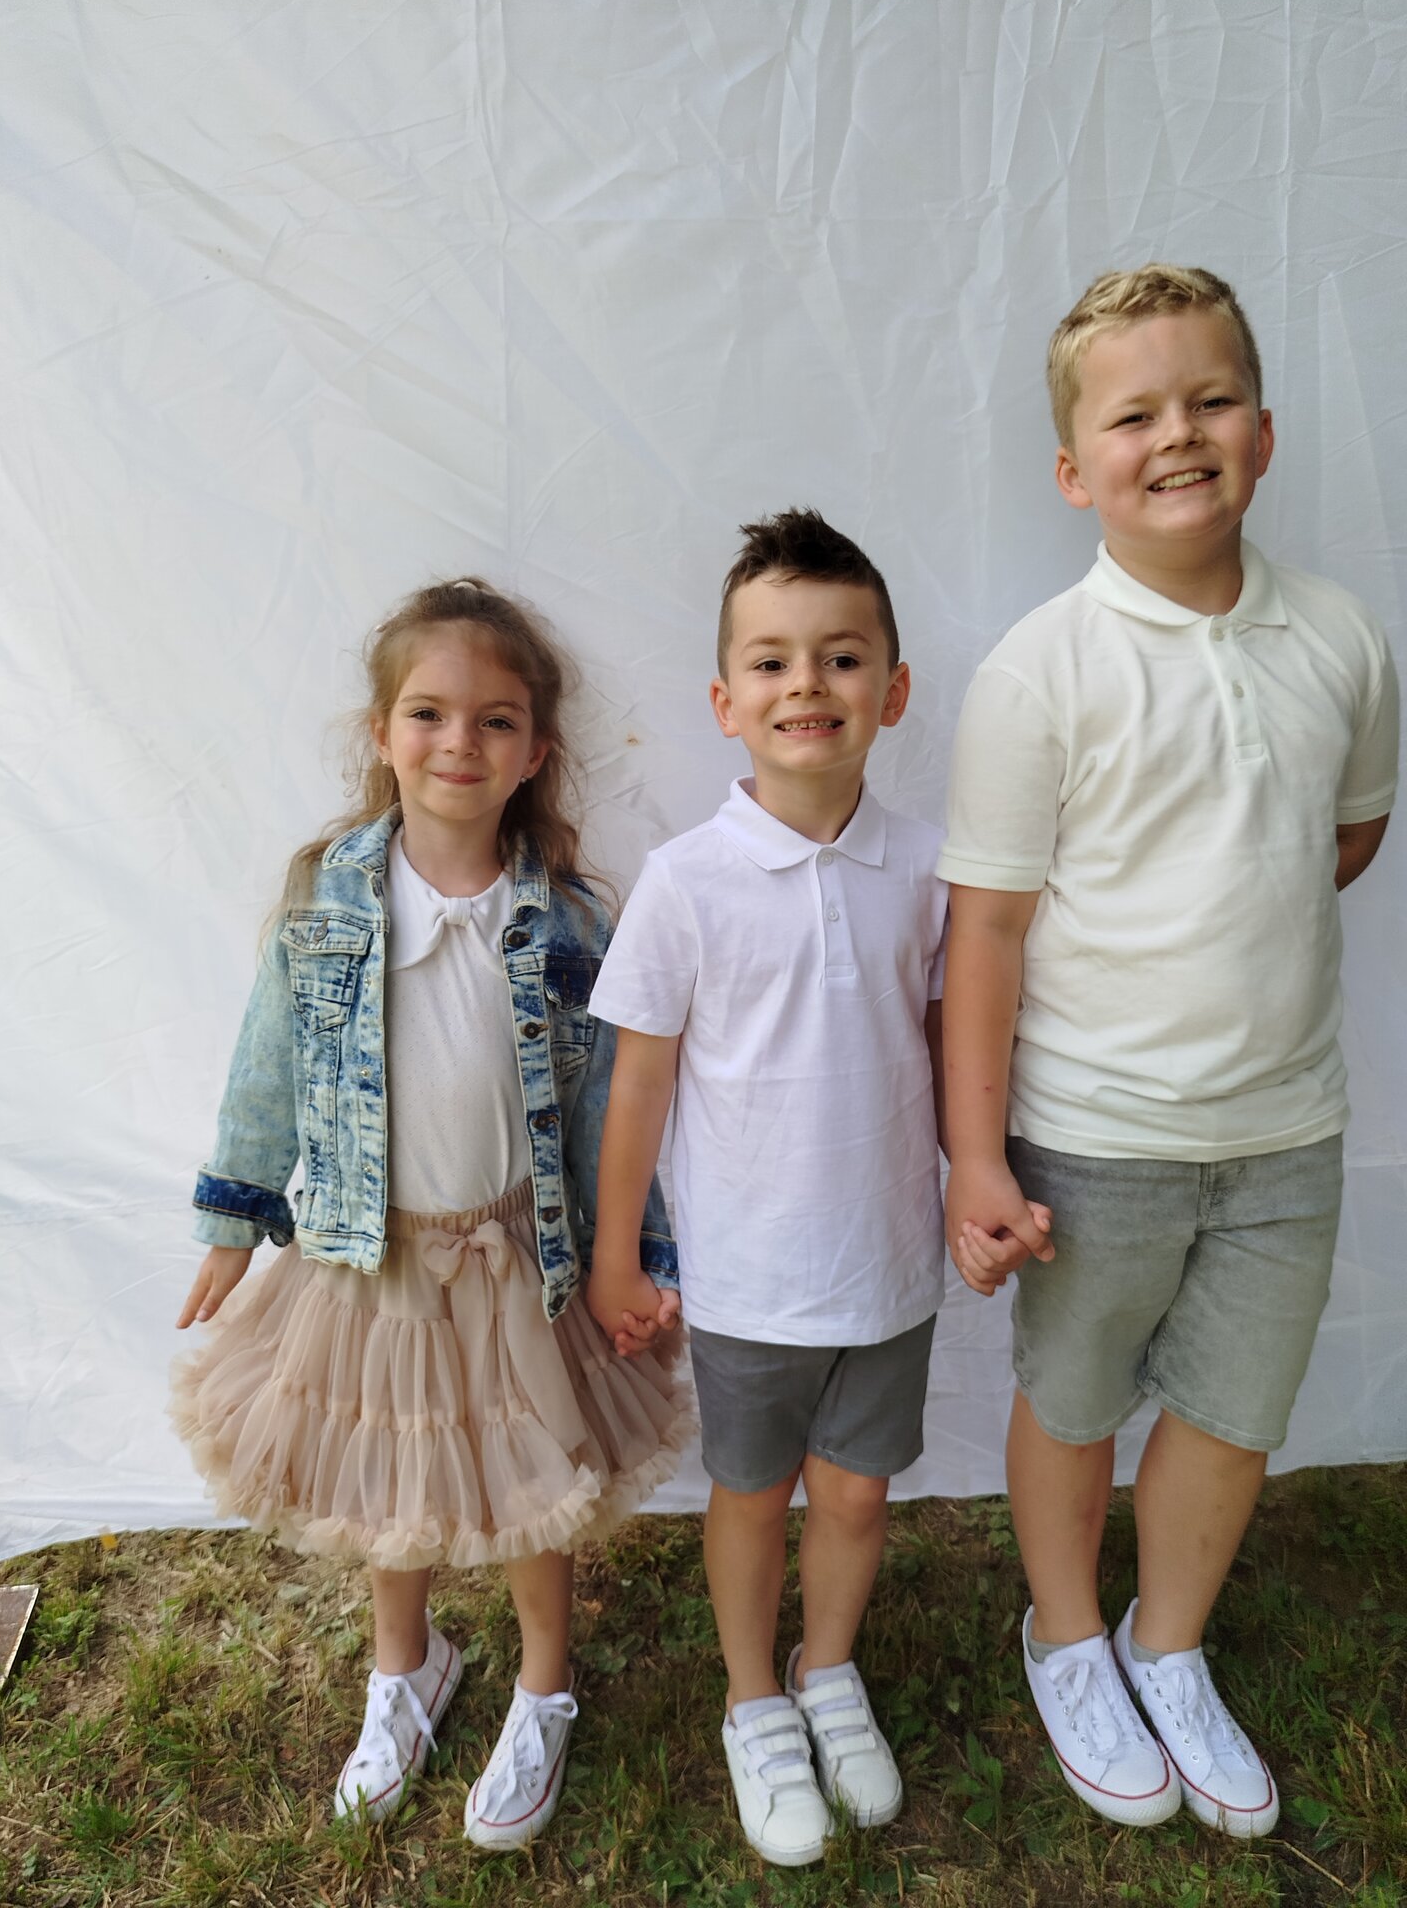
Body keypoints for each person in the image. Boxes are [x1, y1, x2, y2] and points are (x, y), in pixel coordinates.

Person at [939, 265, 1398, 1837]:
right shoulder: (1042, 671)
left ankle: (1168, 1640)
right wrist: (979, 1155)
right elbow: (987, 934)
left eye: (1210, 401)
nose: (1179, 434)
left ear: (1264, 433)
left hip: (1286, 1129)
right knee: (1075, 1398)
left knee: (1233, 1410)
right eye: (1134, 416)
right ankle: (1068, 1635)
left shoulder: (1341, 637)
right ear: (1077, 472)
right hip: (1097, 1135)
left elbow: (1345, 836)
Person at [171, 578, 690, 1846]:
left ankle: (544, 1687)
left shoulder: (572, 920)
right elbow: (268, 1064)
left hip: (521, 1259)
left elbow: (610, 1110)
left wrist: (634, 1255)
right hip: (372, 1260)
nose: (461, 742)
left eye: (496, 720)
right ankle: (403, 1673)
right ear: (383, 732)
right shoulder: (328, 902)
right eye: (430, 713)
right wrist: (235, 1218)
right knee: (387, 1477)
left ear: (537, 751)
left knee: (535, 1481)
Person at [586, 509, 950, 1866]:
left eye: (843, 658)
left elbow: (954, 1054)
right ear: (725, 700)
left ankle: (828, 1669)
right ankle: (753, 1697)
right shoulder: (686, 883)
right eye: (774, 661)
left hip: (892, 1264)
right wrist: (619, 1256)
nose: (809, 684)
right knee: (750, 1494)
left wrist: (983, 1184)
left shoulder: (932, 871)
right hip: (747, 1278)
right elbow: (637, 1088)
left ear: (893, 693)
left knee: (854, 1495)